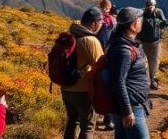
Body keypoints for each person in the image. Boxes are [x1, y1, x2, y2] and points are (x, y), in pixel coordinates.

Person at [60, 7, 106, 139]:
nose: (101, 25)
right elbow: (101, 64)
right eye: (100, 22)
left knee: (71, 121)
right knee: (88, 126)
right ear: (94, 23)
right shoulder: (90, 40)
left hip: (66, 88)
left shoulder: (70, 35)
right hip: (83, 90)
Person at [106, 7, 150, 139]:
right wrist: (127, 111)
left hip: (127, 105)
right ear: (133, 25)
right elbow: (118, 81)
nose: (142, 22)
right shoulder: (124, 51)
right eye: (140, 20)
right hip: (131, 107)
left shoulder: (121, 43)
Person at [136, 0, 168, 90]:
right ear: (146, 6)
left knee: (155, 62)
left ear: (155, 5)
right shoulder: (142, 14)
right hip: (144, 42)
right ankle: (145, 82)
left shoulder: (159, 12)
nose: (150, 8)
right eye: (148, 6)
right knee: (144, 62)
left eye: (152, 6)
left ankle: (153, 81)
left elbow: (164, 22)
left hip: (156, 42)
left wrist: (160, 24)